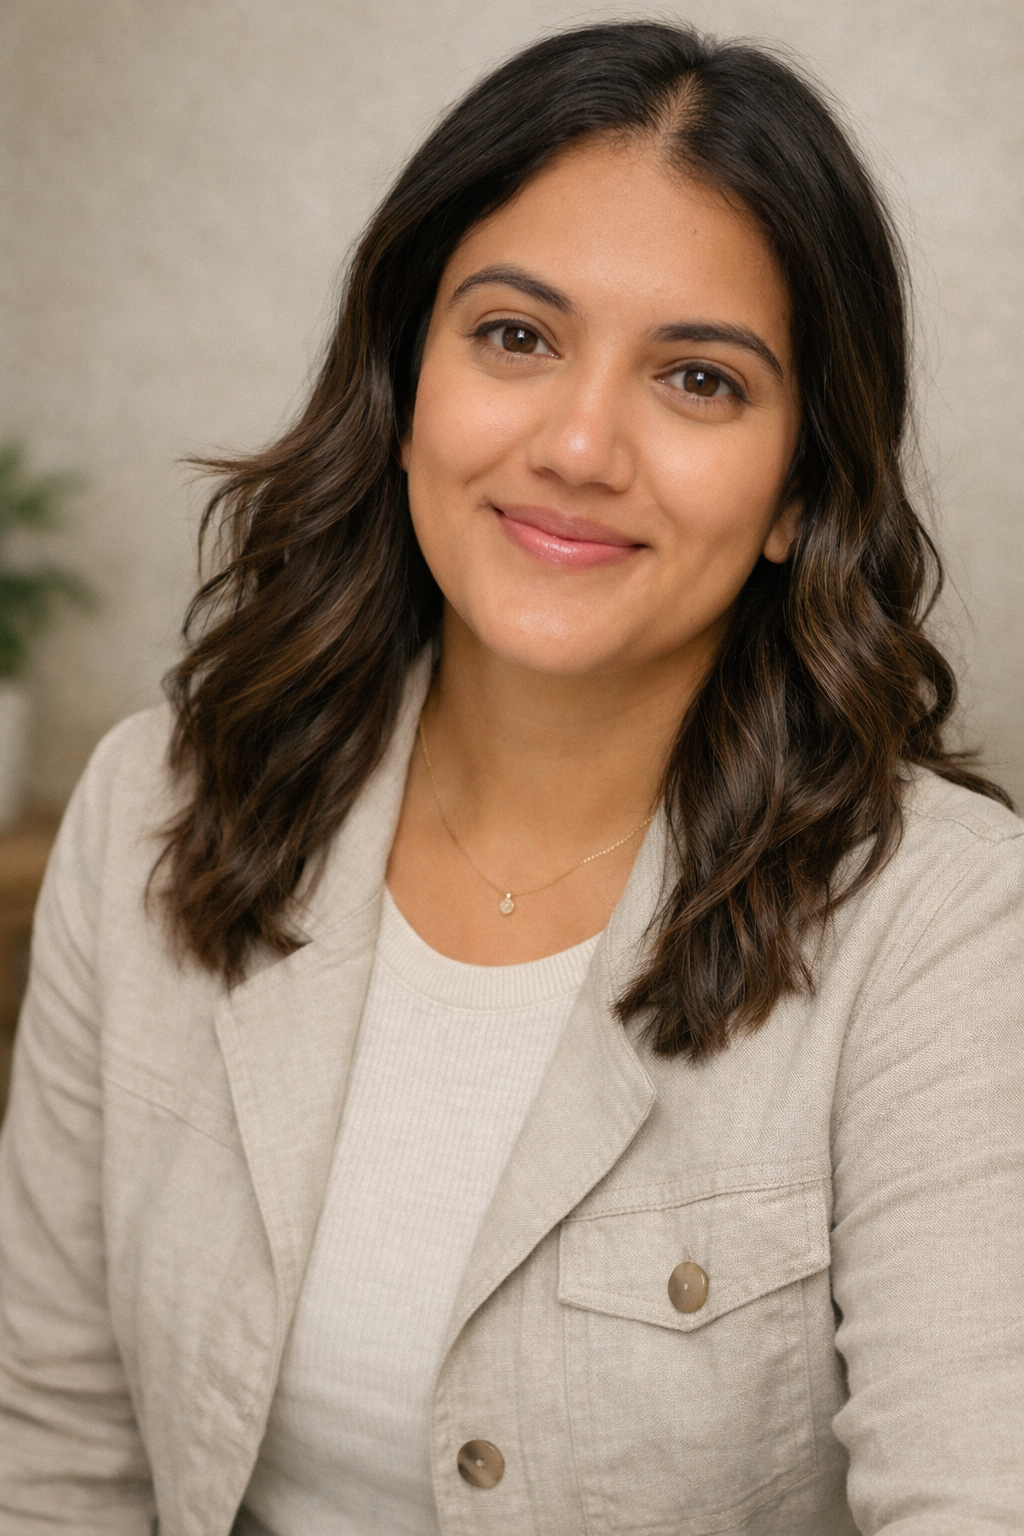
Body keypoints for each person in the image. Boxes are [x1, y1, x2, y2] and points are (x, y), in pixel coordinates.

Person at [0, 19, 1021, 1536]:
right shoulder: (156, 801)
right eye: (518, 337)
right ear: (407, 378)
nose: (582, 443)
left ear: (802, 491)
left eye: (697, 378)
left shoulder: (947, 927)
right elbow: (57, 1456)